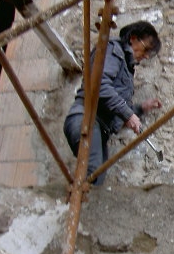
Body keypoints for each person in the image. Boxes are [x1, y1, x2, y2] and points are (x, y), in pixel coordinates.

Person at [64, 21, 163, 185]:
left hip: (98, 127)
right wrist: (128, 114)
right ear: (133, 38)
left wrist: (139, 108)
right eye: (146, 49)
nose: (146, 56)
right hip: (86, 119)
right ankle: (73, 208)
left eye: (149, 54)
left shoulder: (125, 64)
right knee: (92, 175)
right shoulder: (112, 49)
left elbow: (114, 105)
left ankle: (79, 209)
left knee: (96, 179)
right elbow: (99, 84)